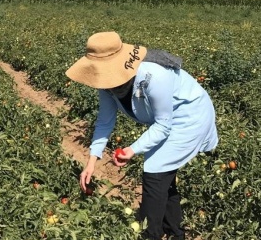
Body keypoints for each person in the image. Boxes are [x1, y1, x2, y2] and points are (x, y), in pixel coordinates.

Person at [66, 32, 218, 240]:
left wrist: (132, 150)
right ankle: (175, 233)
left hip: (189, 117)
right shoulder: (106, 84)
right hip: (166, 121)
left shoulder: (153, 75)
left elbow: (164, 125)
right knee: (163, 176)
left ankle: (151, 234)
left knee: (155, 171)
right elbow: (104, 121)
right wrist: (91, 161)